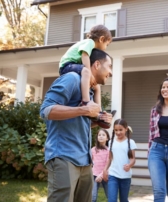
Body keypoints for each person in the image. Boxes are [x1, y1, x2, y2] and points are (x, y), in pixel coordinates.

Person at [40, 48, 113, 202]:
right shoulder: (72, 78)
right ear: (97, 64)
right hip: (64, 157)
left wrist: (98, 121)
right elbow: (46, 110)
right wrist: (83, 109)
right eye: (110, 66)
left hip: (85, 161)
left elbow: (80, 121)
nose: (111, 72)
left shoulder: (89, 90)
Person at [59, 24, 112, 127]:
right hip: (67, 65)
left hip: (73, 65)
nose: (105, 48)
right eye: (107, 44)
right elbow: (84, 55)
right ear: (101, 39)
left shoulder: (90, 46)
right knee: (86, 72)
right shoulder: (89, 42)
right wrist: (89, 72)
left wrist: (98, 117)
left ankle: (99, 112)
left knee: (96, 86)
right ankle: (85, 101)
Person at [103, 119, 137, 202]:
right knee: (111, 199)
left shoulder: (131, 142)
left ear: (126, 129)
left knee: (123, 200)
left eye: (120, 130)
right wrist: (105, 170)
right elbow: (110, 158)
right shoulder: (111, 142)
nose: (118, 132)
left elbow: (133, 159)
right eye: (116, 130)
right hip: (113, 175)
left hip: (125, 176)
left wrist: (129, 165)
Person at [91, 129, 110, 202]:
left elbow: (108, 164)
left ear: (107, 138)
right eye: (99, 135)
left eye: (103, 135)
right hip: (94, 176)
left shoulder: (109, 150)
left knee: (110, 196)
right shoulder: (93, 150)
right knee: (93, 197)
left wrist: (101, 175)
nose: (101, 136)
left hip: (105, 175)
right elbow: (90, 163)